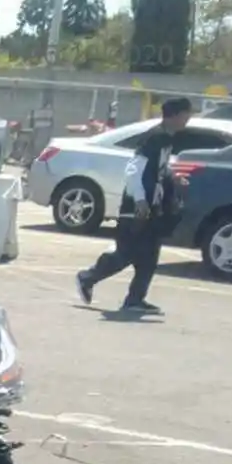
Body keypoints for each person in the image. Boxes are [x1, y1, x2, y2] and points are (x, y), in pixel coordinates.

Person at [77, 97, 194, 315]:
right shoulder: (155, 138)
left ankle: (135, 299)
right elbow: (133, 170)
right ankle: (87, 277)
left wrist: (173, 177)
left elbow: (157, 169)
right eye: (187, 114)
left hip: (152, 207)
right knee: (126, 253)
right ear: (176, 115)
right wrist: (140, 200)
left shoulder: (166, 139)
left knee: (149, 257)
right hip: (137, 207)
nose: (188, 119)